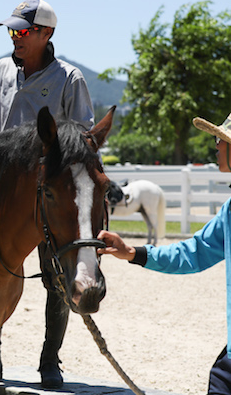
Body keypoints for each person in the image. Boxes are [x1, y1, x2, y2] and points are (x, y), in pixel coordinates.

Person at [0, 0, 94, 388]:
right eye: (12, 30)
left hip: (47, 196)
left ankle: (50, 361)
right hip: (1, 198)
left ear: (46, 34)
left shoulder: (70, 79)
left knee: (56, 277)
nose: (15, 37)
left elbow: (83, 139)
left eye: (23, 31)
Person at [98, 112, 231, 394]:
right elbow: (193, 252)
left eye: (221, 139)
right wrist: (133, 252)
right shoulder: (229, 212)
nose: (216, 146)